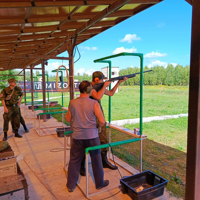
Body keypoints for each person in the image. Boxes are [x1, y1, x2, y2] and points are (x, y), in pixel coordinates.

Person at [80, 71, 128, 176]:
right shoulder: (89, 88)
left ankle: (104, 161)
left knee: (103, 138)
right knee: (86, 140)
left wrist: (118, 83)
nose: (103, 81)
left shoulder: (99, 87)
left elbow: (110, 93)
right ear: (97, 80)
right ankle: (82, 164)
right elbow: (97, 97)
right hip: (89, 117)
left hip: (98, 115)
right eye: (102, 79)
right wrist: (104, 86)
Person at [65, 80, 109, 192]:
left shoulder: (72, 102)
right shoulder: (94, 103)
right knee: (96, 160)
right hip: (92, 137)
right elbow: (102, 121)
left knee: (74, 161)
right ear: (88, 90)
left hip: (77, 137)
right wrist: (98, 127)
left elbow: (67, 118)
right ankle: (99, 183)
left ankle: (71, 185)